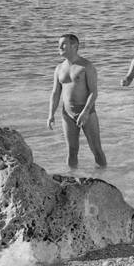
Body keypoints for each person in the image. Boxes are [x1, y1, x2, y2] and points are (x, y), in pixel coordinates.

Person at [47, 33, 107, 168]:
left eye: (63, 44)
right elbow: (55, 93)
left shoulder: (86, 66)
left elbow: (93, 92)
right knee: (72, 150)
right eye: (59, 44)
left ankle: (105, 176)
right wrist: (51, 114)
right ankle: (72, 177)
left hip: (87, 112)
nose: (59, 47)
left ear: (74, 46)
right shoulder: (59, 68)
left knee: (96, 149)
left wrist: (85, 112)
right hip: (67, 114)